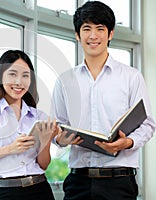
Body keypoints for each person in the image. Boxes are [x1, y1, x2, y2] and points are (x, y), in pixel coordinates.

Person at [50, 1, 156, 200]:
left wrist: (127, 142)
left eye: (100, 29)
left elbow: (148, 124)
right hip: (78, 182)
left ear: (110, 34)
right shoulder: (65, 81)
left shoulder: (131, 76)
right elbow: (58, 125)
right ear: (77, 35)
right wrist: (60, 140)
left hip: (119, 181)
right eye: (86, 29)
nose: (93, 35)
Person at [0, 50, 60, 200]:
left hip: (40, 190)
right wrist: (10, 148)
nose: (19, 82)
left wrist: (46, 142)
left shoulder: (39, 116)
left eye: (25, 76)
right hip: (5, 193)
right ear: (0, 76)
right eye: (12, 74)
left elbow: (43, 165)